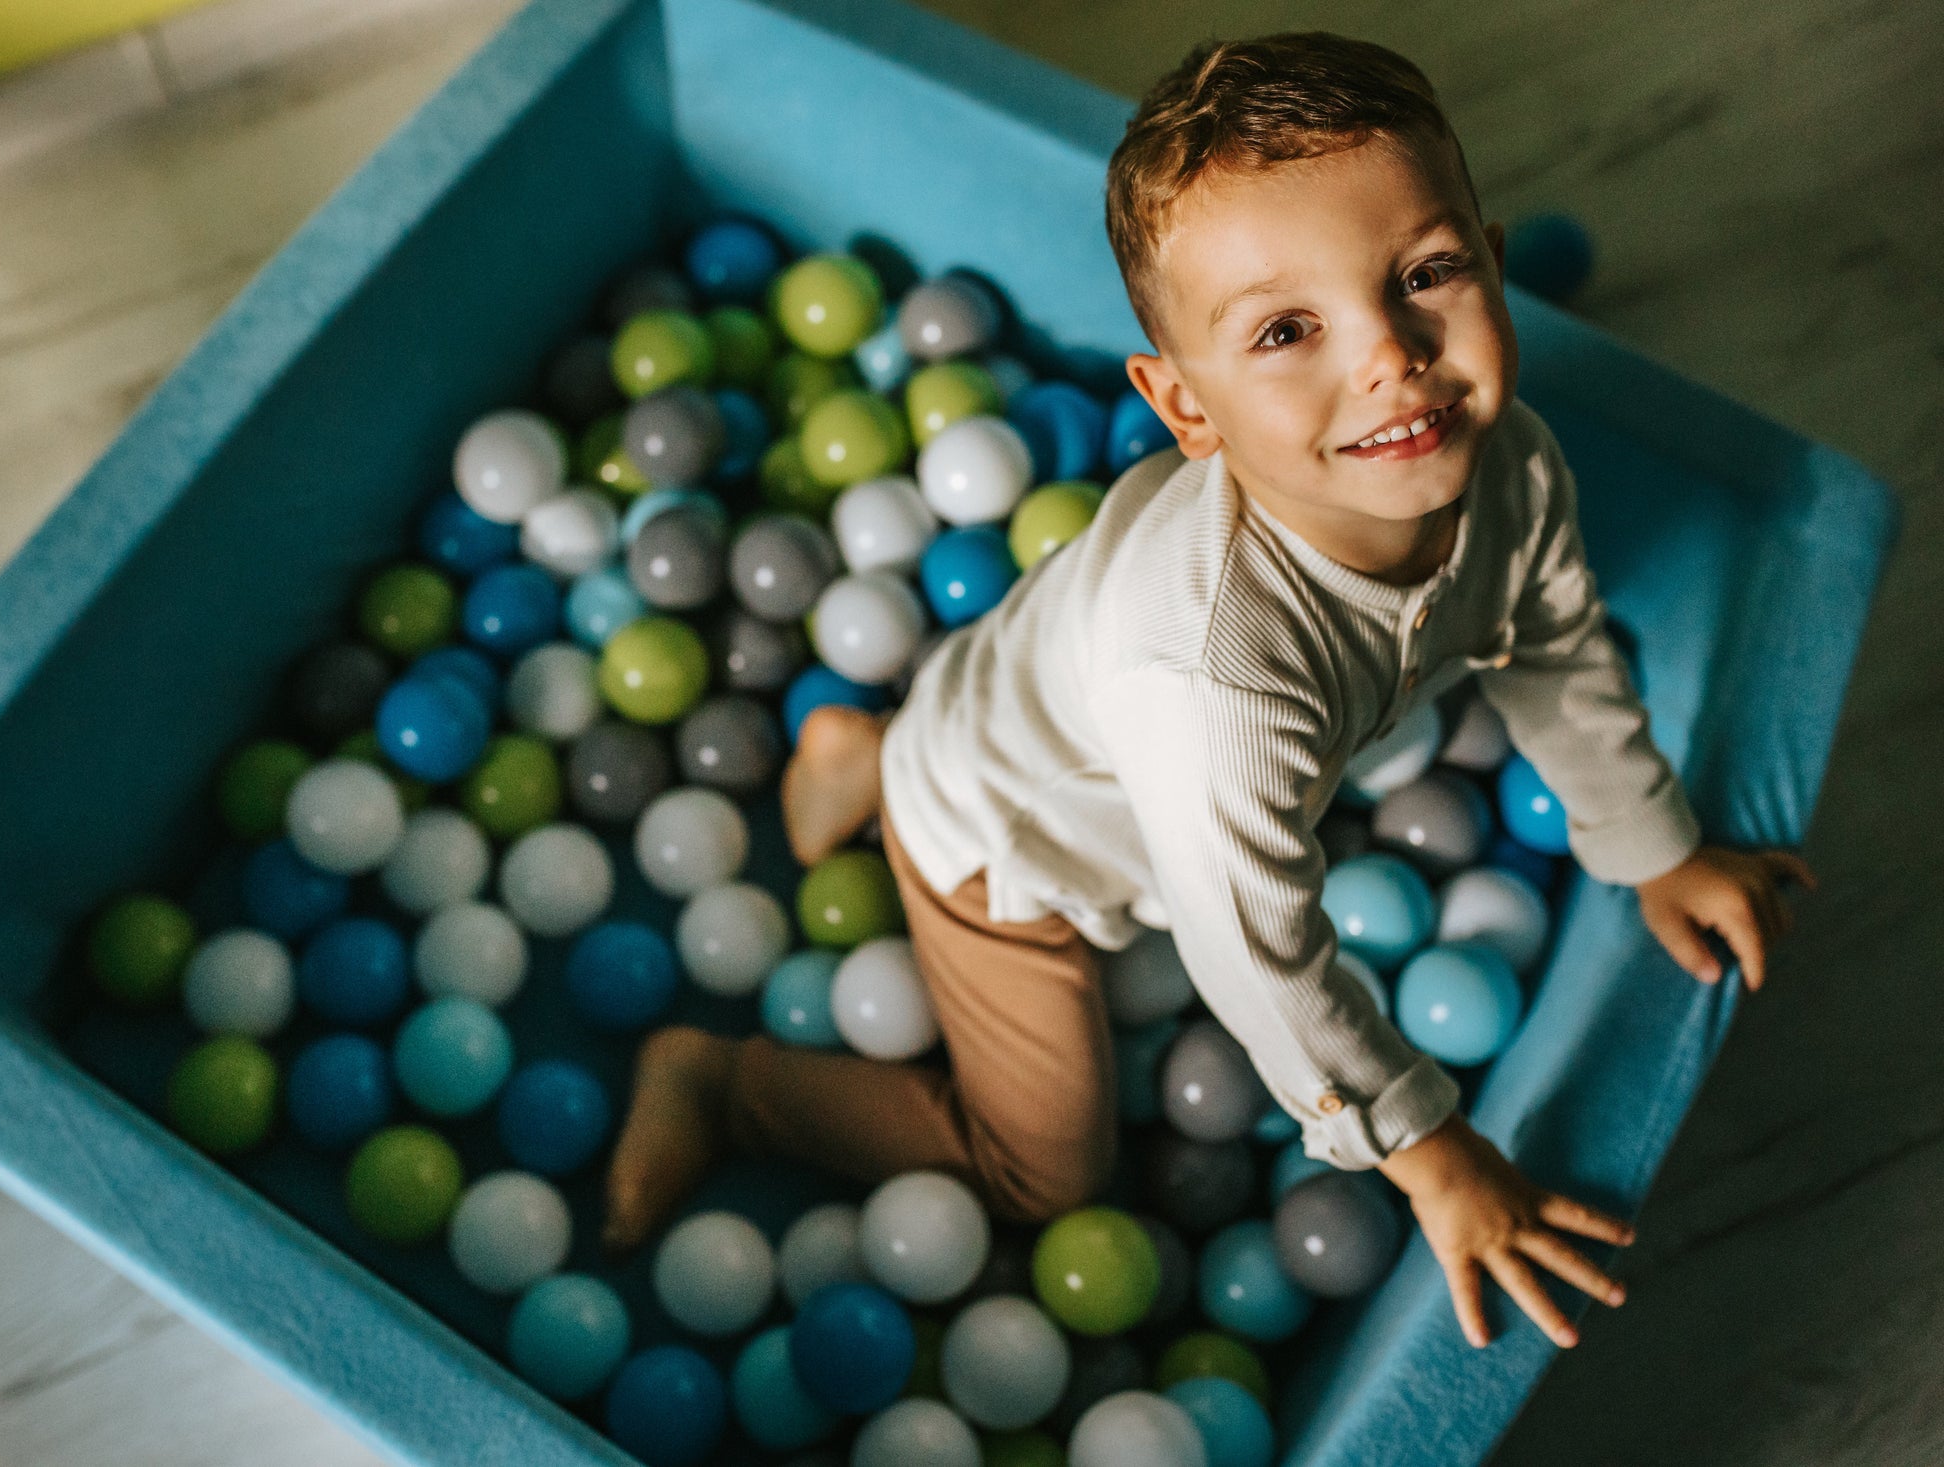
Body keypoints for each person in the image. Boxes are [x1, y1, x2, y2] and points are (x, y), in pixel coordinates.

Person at [600, 31, 1816, 1353]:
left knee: (1018, 735)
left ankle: (863, 752)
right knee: (1045, 1182)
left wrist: (1655, 851)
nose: (1390, 357)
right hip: (1008, 845)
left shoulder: (1510, 466)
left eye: (1426, 274)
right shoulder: (1215, 685)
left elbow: (1553, 641)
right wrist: (1431, 1150)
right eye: (1288, 330)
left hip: (1026, 701)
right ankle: (722, 1081)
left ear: (1495, 262)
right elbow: (1259, 955)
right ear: (1186, 407)